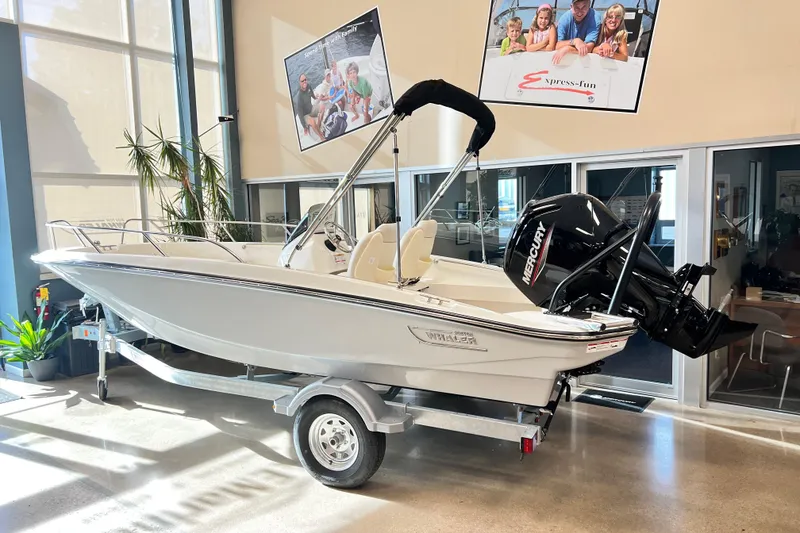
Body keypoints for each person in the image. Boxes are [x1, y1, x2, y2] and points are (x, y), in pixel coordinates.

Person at [552, 0, 602, 65]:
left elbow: (589, 48)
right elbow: (557, 46)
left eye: (584, 7)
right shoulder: (564, 19)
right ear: (571, 7)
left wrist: (568, 49)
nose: (580, 12)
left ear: (589, 6)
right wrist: (574, 41)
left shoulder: (595, 17)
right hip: (566, 61)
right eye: (577, 7)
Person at [294, 73, 323, 139]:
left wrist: (316, 97)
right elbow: (300, 115)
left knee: (322, 107)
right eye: (302, 81)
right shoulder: (299, 98)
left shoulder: (308, 86)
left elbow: (312, 94)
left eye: (305, 80)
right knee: (312, 121)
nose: (304, 82)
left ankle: (318, 125)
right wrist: (304, 127)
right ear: (299, 83)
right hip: (305, 115)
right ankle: (321, 137)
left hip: (311, 109)